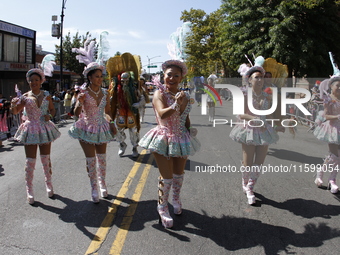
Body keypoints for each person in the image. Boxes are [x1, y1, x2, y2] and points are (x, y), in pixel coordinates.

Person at [139, 60, 201, 228]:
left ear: (181, 78)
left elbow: (186, 117)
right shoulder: (160, 94)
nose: (172, 78)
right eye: (169, 75)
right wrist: (176, 104)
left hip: (181, 138)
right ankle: (162, 206)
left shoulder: (185, 96)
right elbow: (162, 114)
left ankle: (176, 199)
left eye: (176, 75)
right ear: (163, 76)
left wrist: (189, 130)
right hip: (163, 138)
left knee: (178, 175)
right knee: (166, 177)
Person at [229, 61, 284, 205]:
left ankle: (250, 187)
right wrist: (254, 118)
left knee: (259, 163)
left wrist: (277, 124)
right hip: (249, 129)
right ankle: (245, 182)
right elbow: (241, 114)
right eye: (257, 77)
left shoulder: (267, 96)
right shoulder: (244, 94)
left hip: (264, 130)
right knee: (248, 162)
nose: (260, 80)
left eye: (262, 77)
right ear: (250, 79)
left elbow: (270, 115)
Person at [10, 68, 61, 204]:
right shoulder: (25, 97)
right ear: (28, 82)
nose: (34, 82)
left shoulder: (46, 95)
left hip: (44, 128)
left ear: (41, 81)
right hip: (31, 129)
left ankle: (49, 184)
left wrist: (49, 116)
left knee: (46, 159)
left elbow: (52, 109)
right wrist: (12, 105)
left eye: (36, 80)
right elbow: (15, 111)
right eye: (31, 80)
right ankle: (29, 190)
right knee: (30, 161)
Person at [68, 62, 116, 203]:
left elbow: (107, 112)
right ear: (89, 77)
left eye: (101, 76)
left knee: (102, 160)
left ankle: (102, 184)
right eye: (97, 76)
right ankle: (93, 188)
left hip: (101, 127)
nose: (100, 79)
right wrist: (79, 102)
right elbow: (76, 113)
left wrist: (112, 123)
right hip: (86, 128)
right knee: (90, 161)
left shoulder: (105, 93)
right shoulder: (83, 93)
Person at [313, 76, 340, 193]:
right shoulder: (328, 99)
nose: (339, 88)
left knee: (338, 158)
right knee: (334, 156)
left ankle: (328, 176)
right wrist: (337, 117)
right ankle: (329, 178)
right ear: (331, 86)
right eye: (337, 86)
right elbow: (326, 115)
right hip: (332, 128)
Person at [111, 72, 141, 158]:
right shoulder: (116, 89)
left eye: (126, 81)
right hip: (121, 111)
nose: (124, 83)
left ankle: (134, 147)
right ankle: (122, 144)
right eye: (123, 81)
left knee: (133, 130)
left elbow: (142, 97)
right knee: (118, 129)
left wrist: (139, 103)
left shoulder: (134, 88)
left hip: (131, 111)